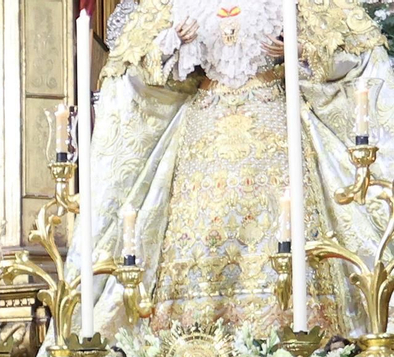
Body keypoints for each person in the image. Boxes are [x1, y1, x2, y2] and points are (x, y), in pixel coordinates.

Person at [83, 0, 391, 336]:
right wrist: (172, 44)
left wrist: (304, 51)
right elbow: (134, 72)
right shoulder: (169, 3)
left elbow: (355, 55)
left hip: (277, 123)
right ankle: (188, 349)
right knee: (199, 232)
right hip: (201, 133)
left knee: (286, 224)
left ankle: (304, 350)